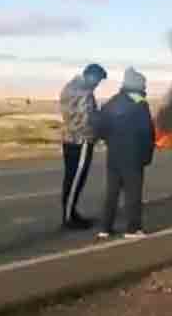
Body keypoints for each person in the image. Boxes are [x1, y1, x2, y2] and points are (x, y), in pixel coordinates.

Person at [94, 68, 155, 239]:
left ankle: (105, 228)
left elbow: (100, 127)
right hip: (133, 154)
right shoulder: (140, 103)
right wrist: (147, 155)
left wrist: (110, 141)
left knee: (112, 192)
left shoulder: (112, 102)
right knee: (133, 193)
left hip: (114, 154)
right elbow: (147, 132)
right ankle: (133, 229)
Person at [58, 63, 107, 229]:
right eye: (97, 80)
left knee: (71, 179)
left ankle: (71, 213)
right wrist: (99, 132)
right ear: (90, 76)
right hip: (81, 141)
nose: (97, 84)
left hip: (69, 139)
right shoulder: (84, 93)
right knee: (76, 180)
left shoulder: (69, 87)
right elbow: (87, 120)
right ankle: (69, 218)